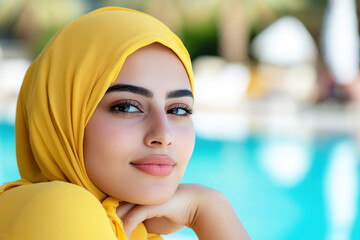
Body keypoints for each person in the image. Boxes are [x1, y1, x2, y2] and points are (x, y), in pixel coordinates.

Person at [0, 7, 250, 240]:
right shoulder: (59, 212)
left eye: (178, 109)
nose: (163, 134)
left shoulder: (123, 227)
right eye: (127, 107)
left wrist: (207, 207)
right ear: (62, 117)